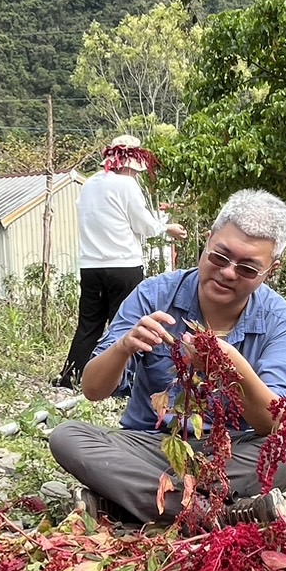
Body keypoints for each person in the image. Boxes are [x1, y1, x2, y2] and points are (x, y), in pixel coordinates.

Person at [49, 189, 286, 525]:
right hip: (151, 448)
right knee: (68, 437)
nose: (228, 272)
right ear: (206, 241)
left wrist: (228, 367)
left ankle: (132, 503)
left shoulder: (281, 320)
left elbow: (272, 422)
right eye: (219, 256)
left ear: (270, 271)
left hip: (228, 452)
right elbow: (93, 390)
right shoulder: (153, 294)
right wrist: (124, 346)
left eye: (247, 268)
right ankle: (214, 514)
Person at [54, 135, 187, 389]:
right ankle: (120, 382)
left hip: (91, 265)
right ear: (130, 164)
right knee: (124, 322)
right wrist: (167, 227)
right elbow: (145, 226)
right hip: (124, 264)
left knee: (89, 323)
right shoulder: (126, 186)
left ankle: (72, 375)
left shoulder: (90, 184)